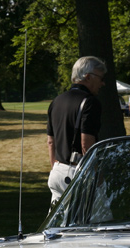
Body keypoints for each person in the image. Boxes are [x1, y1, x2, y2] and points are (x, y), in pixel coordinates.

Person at [46, 56, 105, 204]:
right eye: (100, 78)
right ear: (88, 77)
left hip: (57, 172)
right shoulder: (90, 103)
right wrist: (98, 174)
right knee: (98, 223)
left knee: (59, 224)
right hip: (77, 172)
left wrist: (55, 168)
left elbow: (51, 142)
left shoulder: (56, 101)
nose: (102, 83)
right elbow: (87, 144)